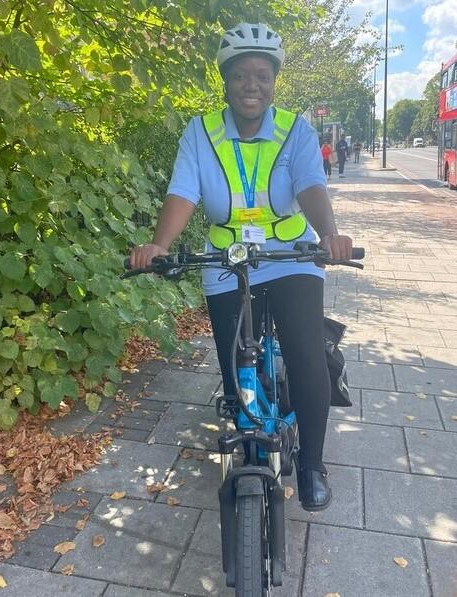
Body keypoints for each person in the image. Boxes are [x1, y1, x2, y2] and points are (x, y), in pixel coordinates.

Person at [130, 23, 353, 511]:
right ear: (225, 81)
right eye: (240, 75)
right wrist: (161, 244)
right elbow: (183, 191)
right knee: (233, 372)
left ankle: (313, 464)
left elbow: (312, 185)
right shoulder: (201, 131)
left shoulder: (296, 129)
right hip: (228, 259)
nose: (251, 85)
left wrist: (329, 233)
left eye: (262, 75)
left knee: (304, 357)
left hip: (290, 255)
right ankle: (248, 430)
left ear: (274, 81)